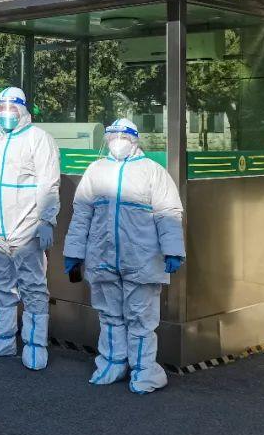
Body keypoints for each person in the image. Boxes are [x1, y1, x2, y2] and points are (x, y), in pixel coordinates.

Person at [63, 118, 185, 394]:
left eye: (123, 137)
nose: (117, 142)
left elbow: (168, 214)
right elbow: (81, 215)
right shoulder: (96, 170)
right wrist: (74, 252)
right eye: (112, 137)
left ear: (135, 140)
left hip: (141, 258)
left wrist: (173, 250)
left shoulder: (152, 172)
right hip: (103, 258)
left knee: (141, 320)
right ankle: (112, 364)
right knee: (109, 317)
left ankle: (145, 373)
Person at [0, 87, 60, 370]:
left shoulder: (38, 139)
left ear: (22, 109)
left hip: (27, 229)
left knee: (33, 288)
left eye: (11, 108)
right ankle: (3, 338)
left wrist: (46, 220)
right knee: (1, 287)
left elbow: (48, 183)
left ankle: (35, 344)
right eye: (1, 108)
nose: (6, 114)